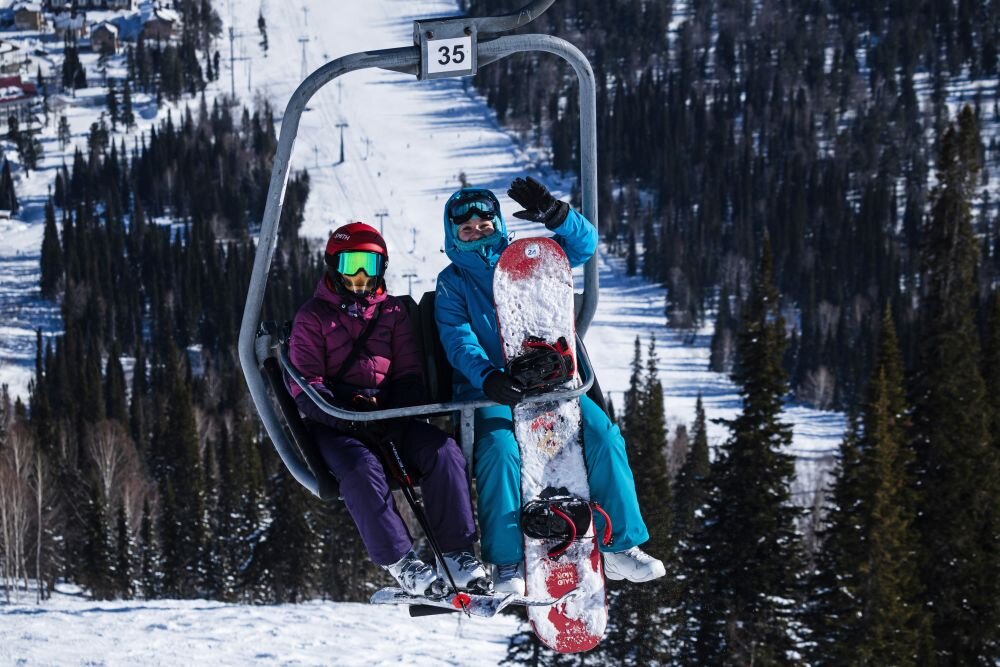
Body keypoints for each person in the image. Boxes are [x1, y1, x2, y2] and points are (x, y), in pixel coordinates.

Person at [434, 177, 666, 594]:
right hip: (492, 389)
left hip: (550, 382)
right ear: (453, 236)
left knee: (602, 436)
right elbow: (458, 337)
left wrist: (555, 214)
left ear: (498, 226)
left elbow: (583, 247)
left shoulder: (529, 260)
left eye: (483, 227)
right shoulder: (453, 282)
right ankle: (507, 563)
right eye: (466, 230)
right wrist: (487, 375)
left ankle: (619, 547)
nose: (476, 234)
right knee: (500, 451)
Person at [288, 221, 487, 596]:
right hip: (335, 423)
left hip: (389, 416)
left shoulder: (392, 312)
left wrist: (395, 416)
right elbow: (306, 386)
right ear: (333, 265)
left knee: (443, 451)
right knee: (361, 469)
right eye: (351, 265)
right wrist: (347, 419)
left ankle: (458, 553)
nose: (361, 275)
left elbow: (409, 372)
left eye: (370, 265)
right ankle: (403, 562)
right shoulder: (312, 318)